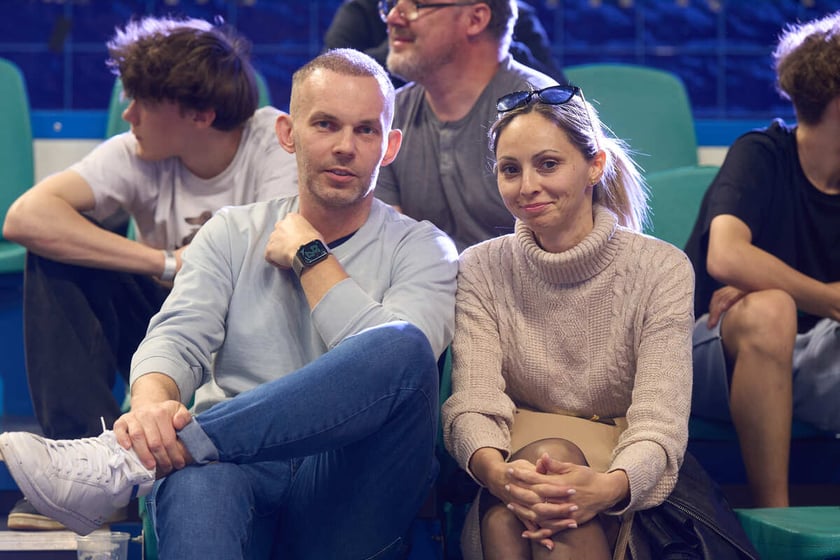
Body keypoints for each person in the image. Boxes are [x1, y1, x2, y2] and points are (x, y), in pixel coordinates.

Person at [0, 48, 458, 558]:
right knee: (197, 482)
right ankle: (150, 454)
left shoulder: (426, 249)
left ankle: (127, 462)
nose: (345, 147)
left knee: (402, 346)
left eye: (366, 130)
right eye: (325, 124)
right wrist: (150, 412)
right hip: (235, 472)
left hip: (352, 482)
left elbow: (393, 374)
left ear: (389, 146)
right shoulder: (230, 231)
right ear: (288, 133)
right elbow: (176, 339)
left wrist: (311, 256)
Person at [1, 15, 299, 531]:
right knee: (56, 251)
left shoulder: (272, 144)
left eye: (142, 102)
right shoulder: (139, 151)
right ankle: (88, 470)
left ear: (200, 114)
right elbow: (24, 217)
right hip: (169, 330)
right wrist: (162, 261)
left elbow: (278, 259)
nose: (127, 113)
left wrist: (196, 264)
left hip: (247, 341)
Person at [441, 85, 695, 558]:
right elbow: (473, 404)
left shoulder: (663, 269)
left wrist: (609, 488)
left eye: (548, 164)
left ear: (595, 166)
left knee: (520, 516)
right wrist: (498, 476)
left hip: (620, 470)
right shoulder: (480, 267)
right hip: (511, 466)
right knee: (520, 501)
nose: (527, 186)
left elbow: (660, 423)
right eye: (510, 170)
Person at [683, 11, 840, 509]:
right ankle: (776, 520)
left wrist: (769, 279)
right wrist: (826, 297)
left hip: (818, 354)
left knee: (773, 303)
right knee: (771, 311)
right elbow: (727, 256)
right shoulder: (761, 153)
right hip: (715, 348)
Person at [375, 0, 560, 251]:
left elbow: (566, 254)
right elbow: (390, 250)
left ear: (475, 19)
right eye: (391, 5)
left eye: (415, 5)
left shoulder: (544, 111)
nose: (393, 18)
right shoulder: (389, 114)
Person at [323, 0, 566, 88]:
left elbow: (558, 94)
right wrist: (416, 43)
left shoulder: (516, 17)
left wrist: (494, 43)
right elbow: (329, 78)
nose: (394, 17)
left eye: (418, 4)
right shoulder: (362, 11)